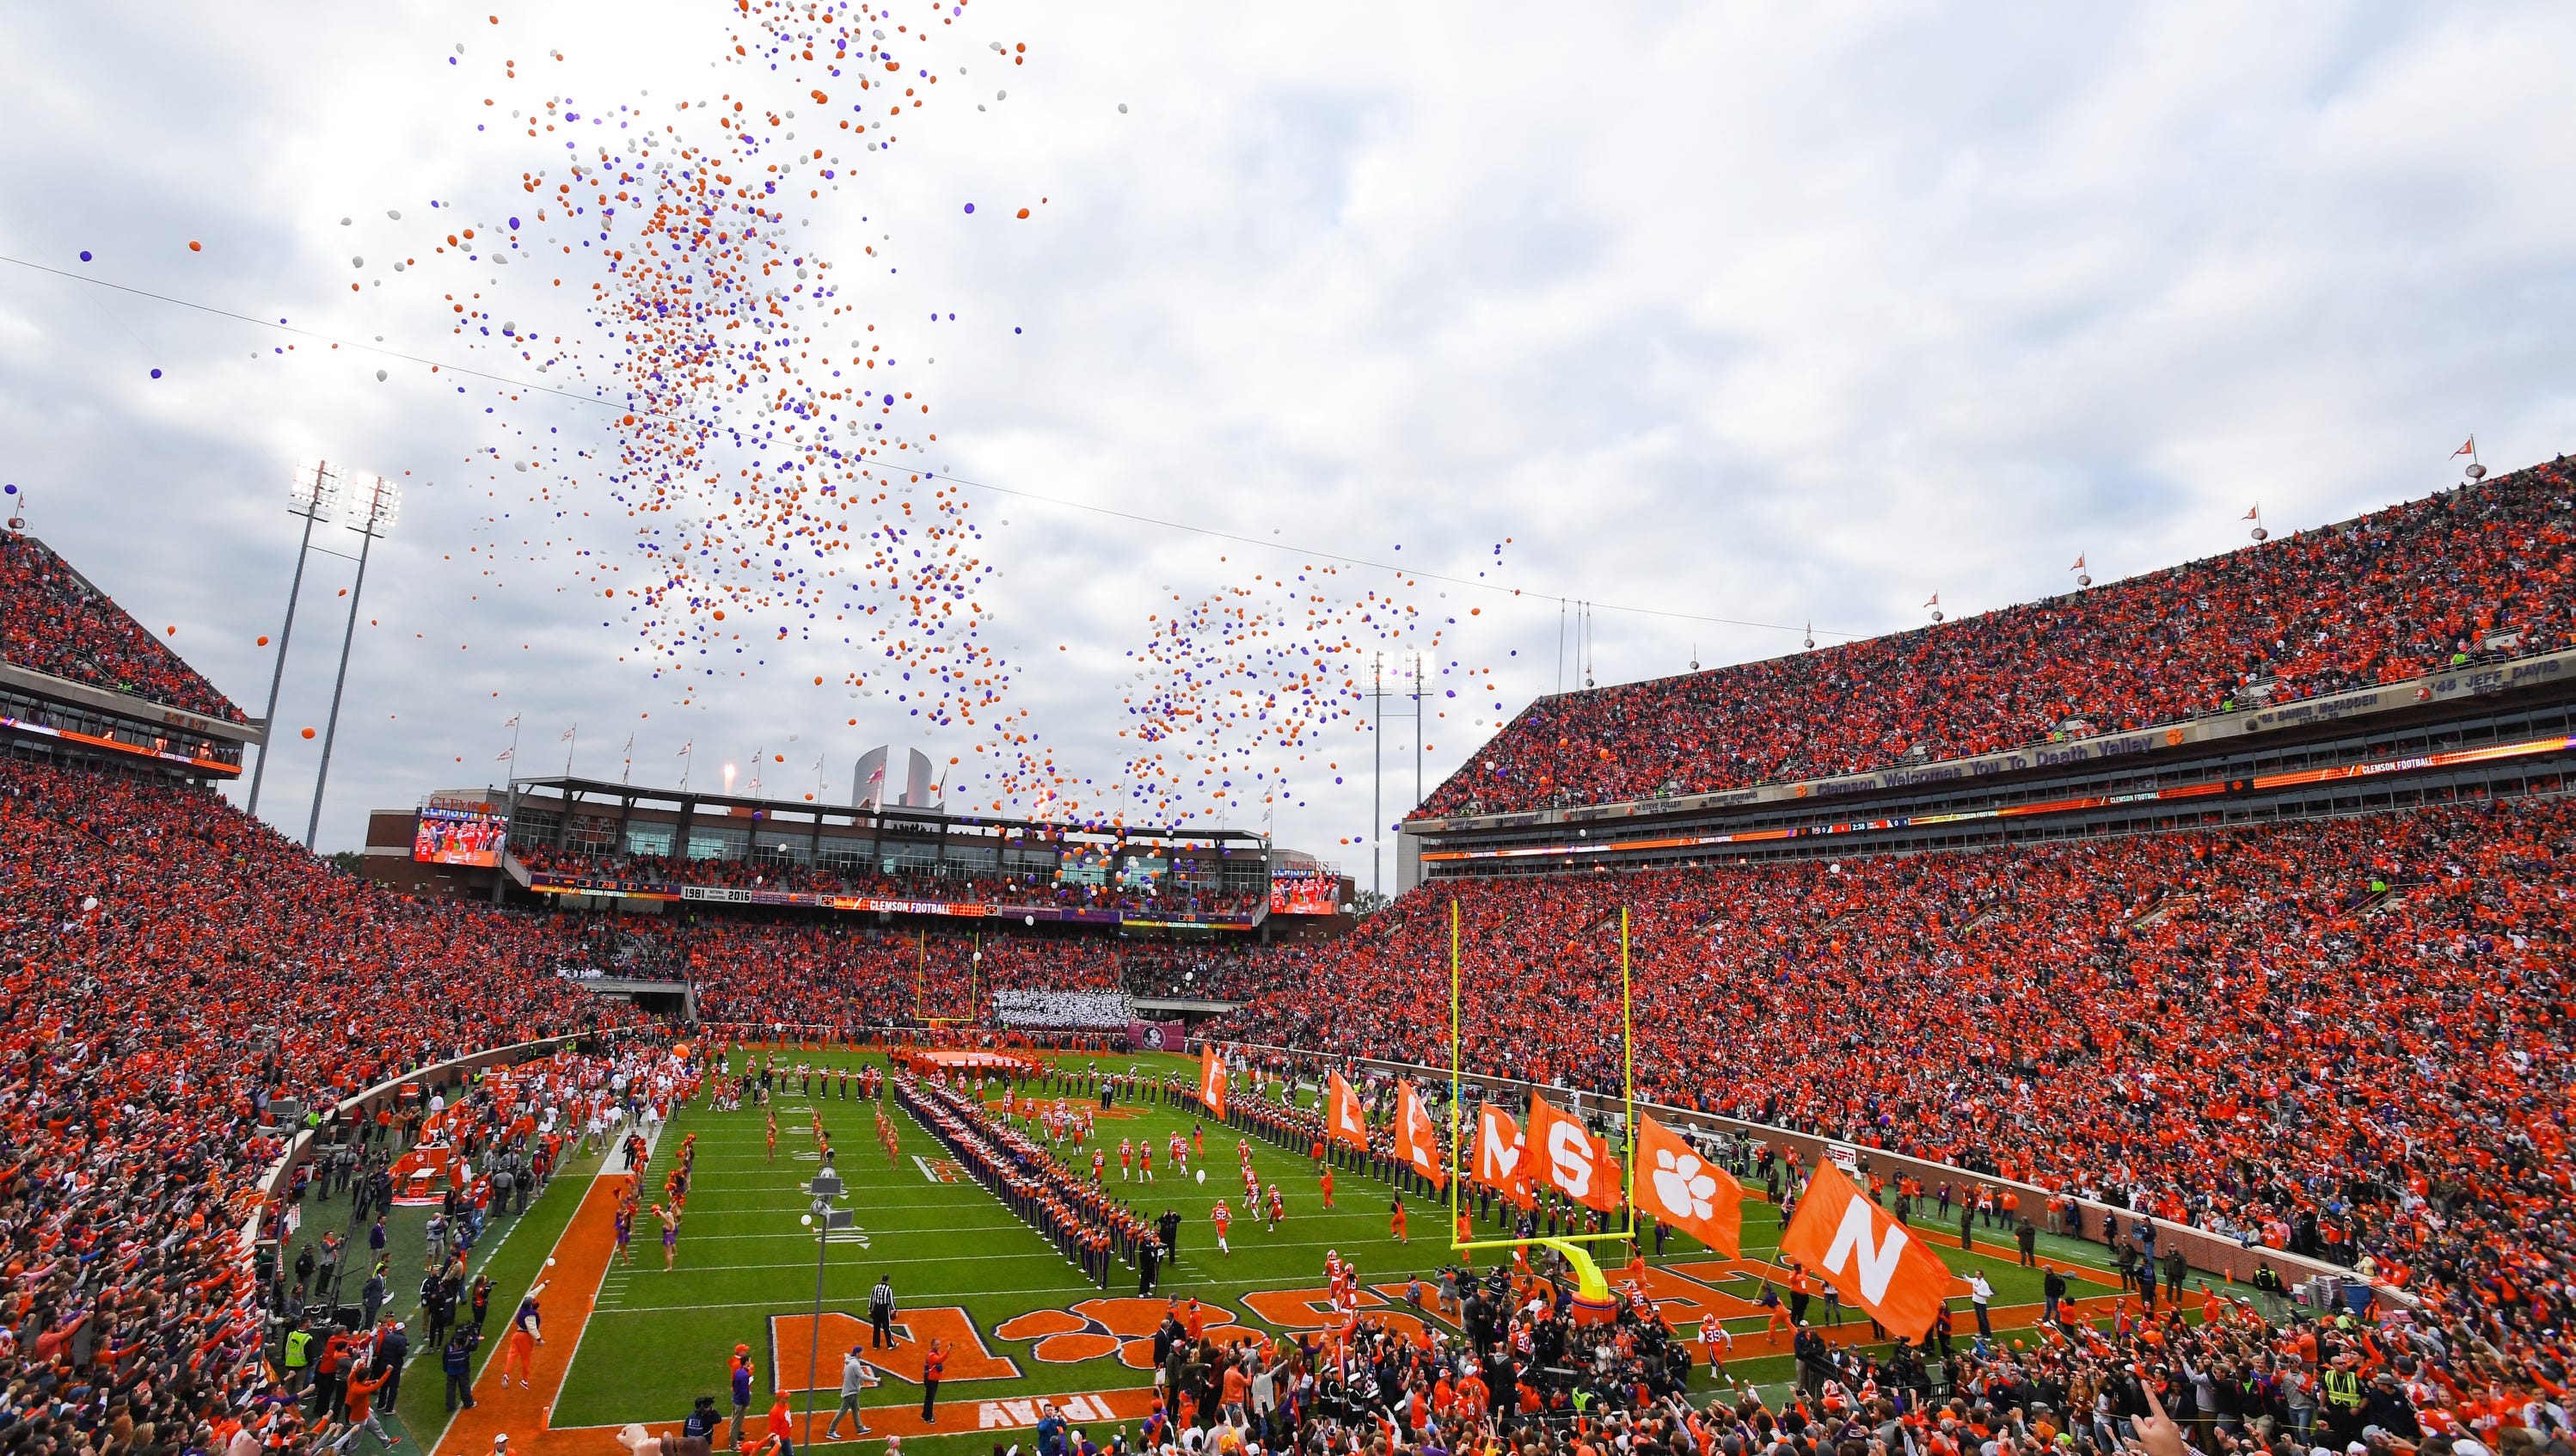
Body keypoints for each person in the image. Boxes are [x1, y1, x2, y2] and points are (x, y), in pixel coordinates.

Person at [826, 1346, 874, 1439]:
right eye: (861, 1352)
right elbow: (862, 1376)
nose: (862, 1354)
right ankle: (831, 1431)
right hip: (850, 1392)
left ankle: (860, 1428)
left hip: (853, 1391)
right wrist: (875, 1379)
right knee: (842, 1411)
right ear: (857, 1353)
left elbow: (844, 1374)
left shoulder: (849, 1363)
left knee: (856, 1409)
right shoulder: (854, 1364)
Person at [920, 1338, 947, 1421]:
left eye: (939, 1344)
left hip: (931, 1379)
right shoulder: (932, 1355)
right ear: (933, 1345)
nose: (939, 1346)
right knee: (930, 1398)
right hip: (931, 1380)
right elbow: (940, 1360)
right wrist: (948, 1351)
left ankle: (925, 1414)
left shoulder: (934, 1353)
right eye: (937, 1344)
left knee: (928, 1397)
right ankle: (928, 1417)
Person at [871, 1274, 899, 1347]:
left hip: (876, 1308)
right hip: (884, 1308)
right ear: (888, 1280)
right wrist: (895, 1310)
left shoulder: (876, 1287)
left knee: (876, 1327)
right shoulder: (888, 1289)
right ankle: (890, 1344)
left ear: (881, 1279)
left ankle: (876, 1345)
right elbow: (891, 1301)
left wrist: (870, 1309)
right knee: (886, 1327)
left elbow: (871, 1298)